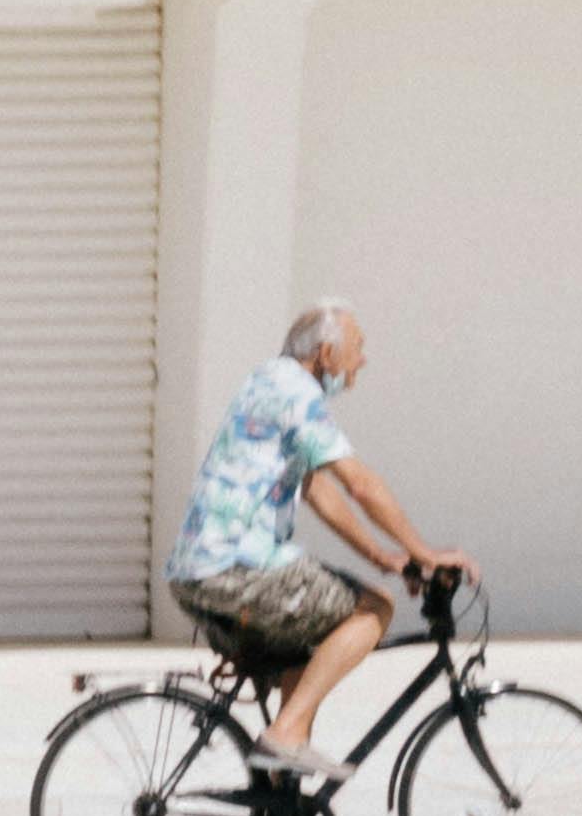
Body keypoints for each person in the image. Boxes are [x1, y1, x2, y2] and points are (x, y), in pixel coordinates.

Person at [164, 298, 461, 781]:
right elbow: (358, 484)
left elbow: (318, 488)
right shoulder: (299, 393)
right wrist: (426, 553)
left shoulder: (266, 381)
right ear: (326, 354)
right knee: (373, 609)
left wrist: (383, 555)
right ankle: (286, 733)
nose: (363, 360)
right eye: (358, 348)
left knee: (306, 650)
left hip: (197, 572)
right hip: (239, 568)